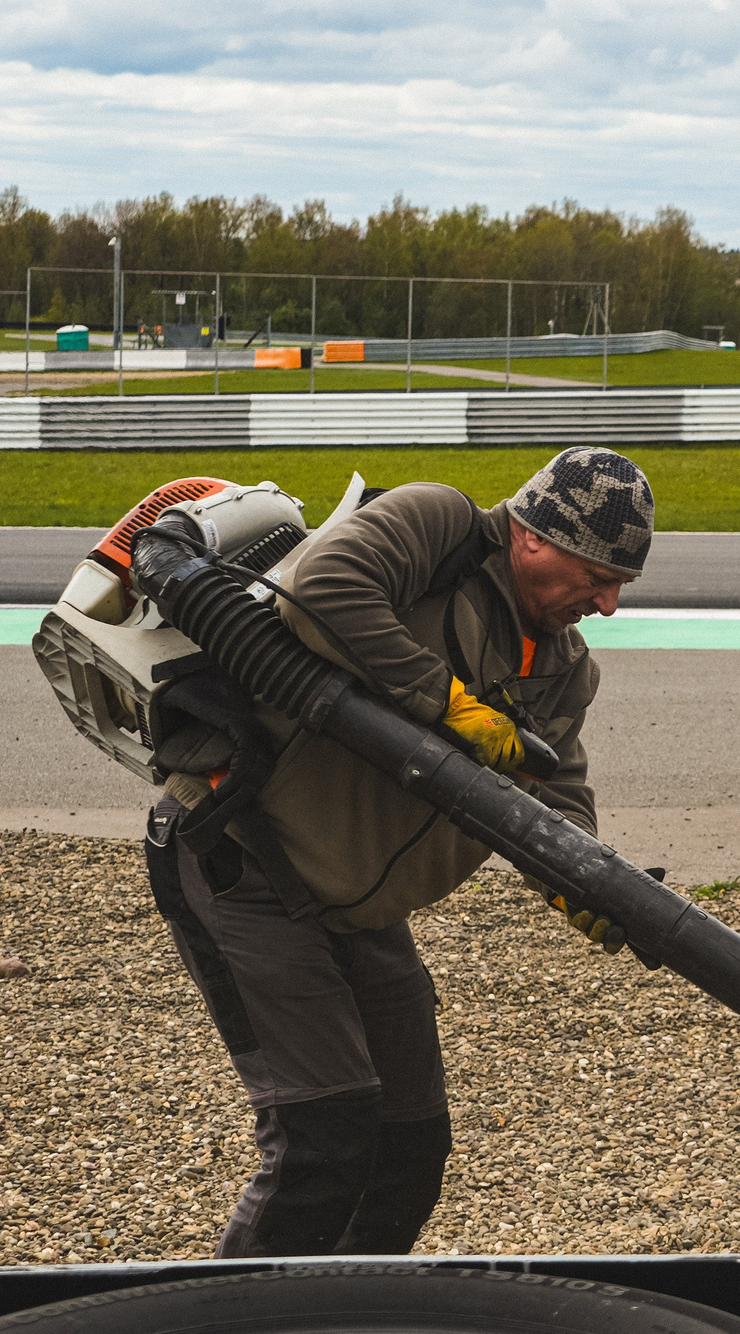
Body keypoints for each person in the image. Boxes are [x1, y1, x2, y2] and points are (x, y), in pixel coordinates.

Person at [141, 446, 653, 1257]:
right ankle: (235, 1313)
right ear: (534, 536)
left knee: (408, 1147)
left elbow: (556, 792)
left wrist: (584, 884)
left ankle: (349, 1309)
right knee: (324, 1136)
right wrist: (446, 703)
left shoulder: (562, 669)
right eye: (598, 575)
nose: (609, 602)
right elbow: (324, 590)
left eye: (621, 583)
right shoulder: (439, 523)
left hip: (358, 905)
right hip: (242, 855)